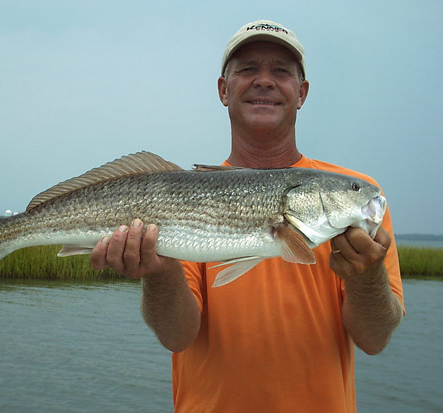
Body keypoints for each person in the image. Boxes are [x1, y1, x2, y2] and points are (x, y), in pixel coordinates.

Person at [90, 19, 404, 412]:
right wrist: (160, 271)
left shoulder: (359, 205)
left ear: (302, 92)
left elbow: (374, 339)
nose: (264, 81)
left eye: (281, 71)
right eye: (248, 68)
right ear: (224, 90)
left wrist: (367, 276)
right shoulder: (185, 195)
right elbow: (177, 336)